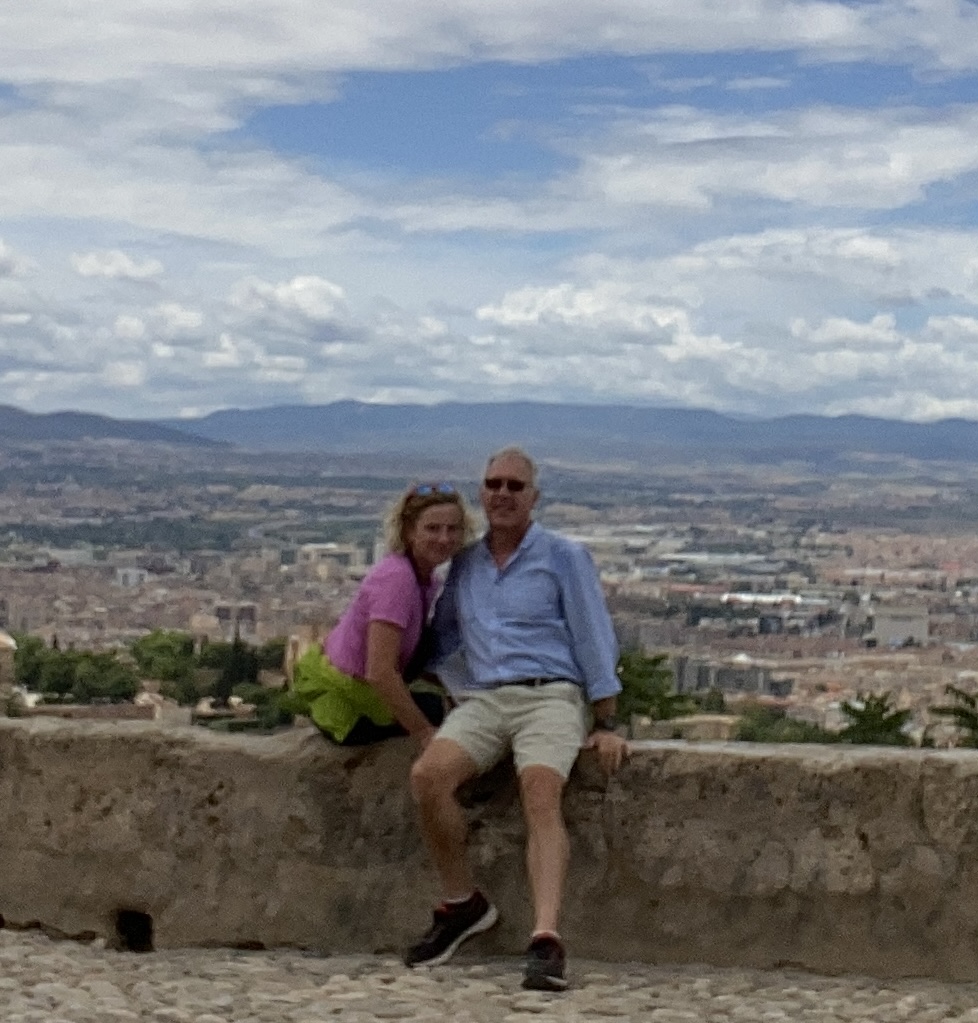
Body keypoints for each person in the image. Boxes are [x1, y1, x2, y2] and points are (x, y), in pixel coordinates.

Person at [405, 447, 628, 991]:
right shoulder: (467, 564)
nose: (502, 494)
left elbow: (592, 634)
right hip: (486, 698)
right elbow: (444, 638)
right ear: (482, 493)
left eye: (514, 485)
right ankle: (461, 902)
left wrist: (607, 719)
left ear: (534, 497)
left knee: (540, 792)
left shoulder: (563, 557)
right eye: (494, 484)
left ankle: (546, 937)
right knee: (428, 777)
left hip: (550, 694)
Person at [291, 482, 474, 746]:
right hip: (347, 709)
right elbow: (380, 672)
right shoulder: (397, 580)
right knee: (445, 713)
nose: (444, 538)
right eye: (433, 528)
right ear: (409, 531)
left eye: (452, 529)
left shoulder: (423, 578)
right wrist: (423, 732)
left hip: (350, 691)